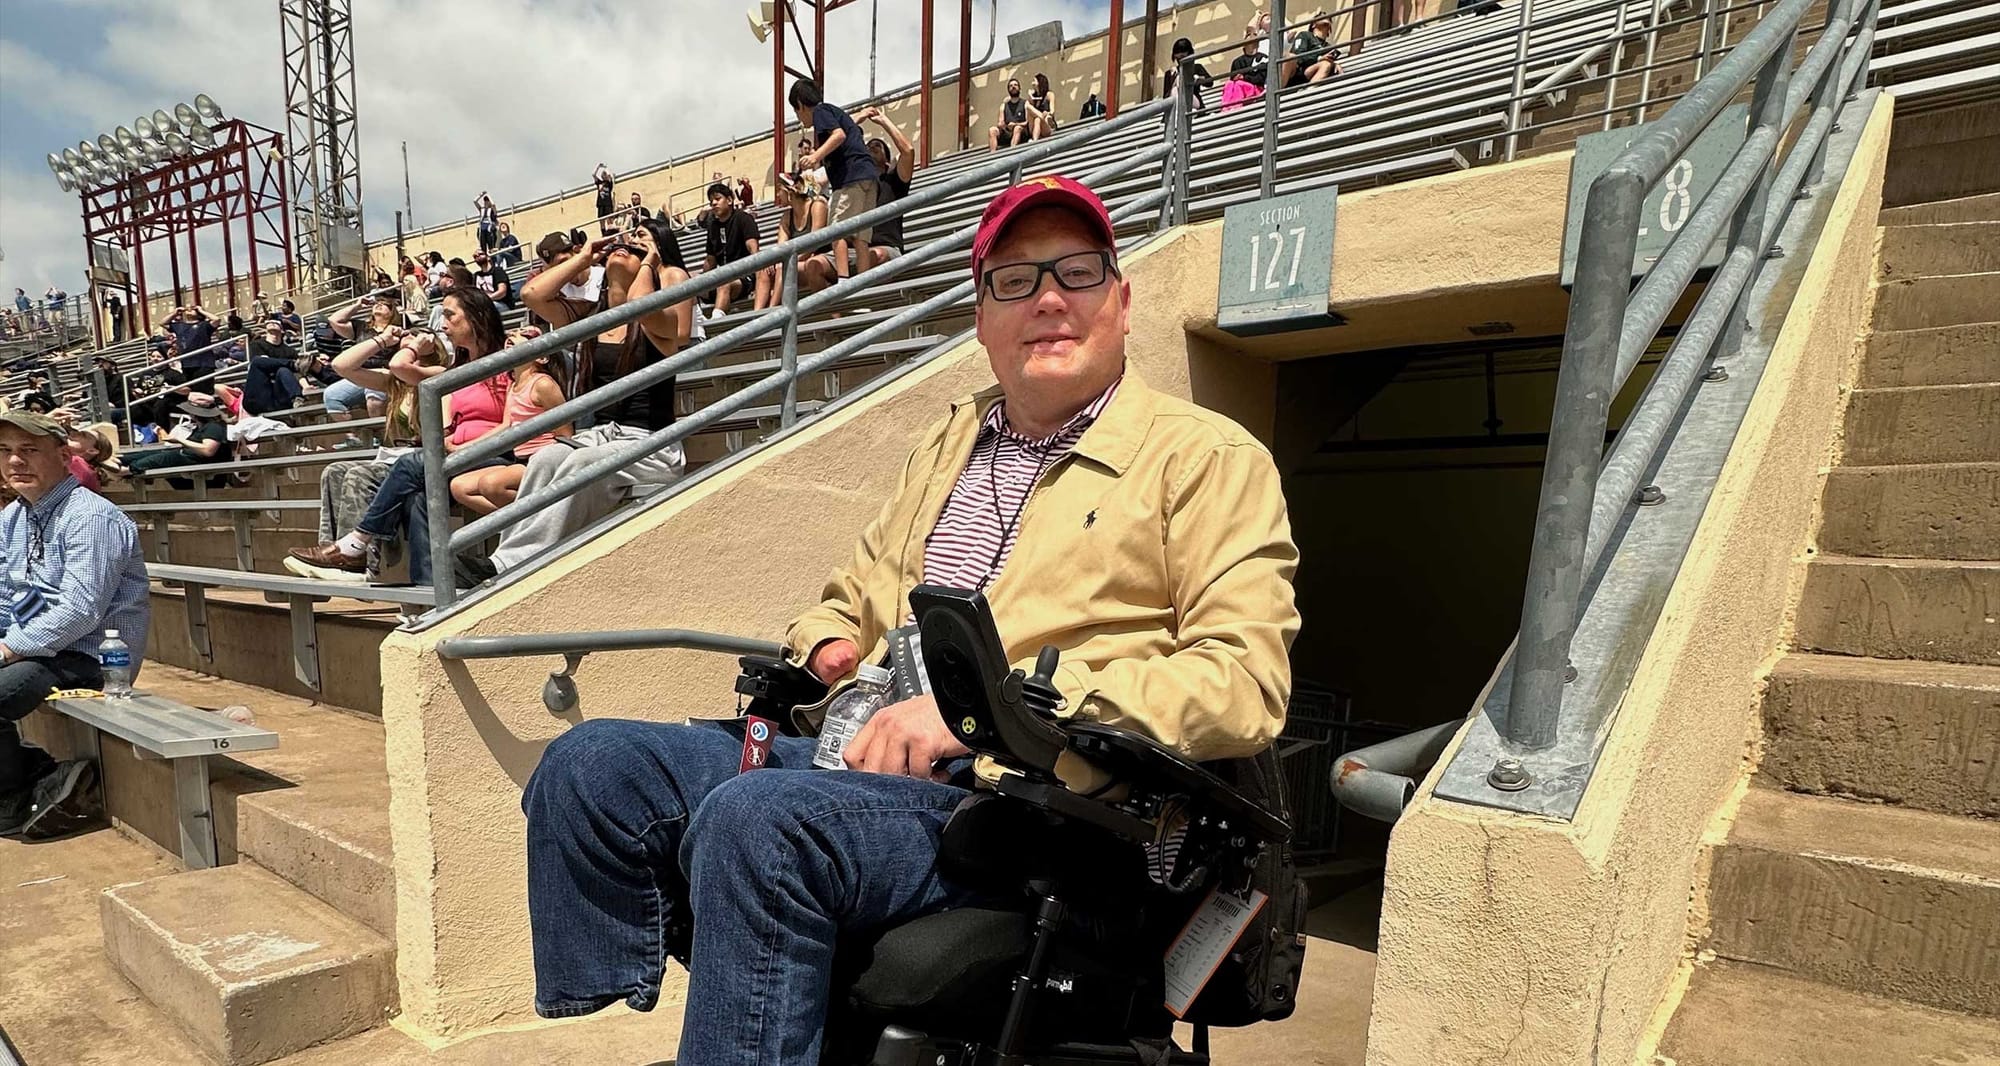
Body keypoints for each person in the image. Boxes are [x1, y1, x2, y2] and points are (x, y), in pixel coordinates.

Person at [519, 176, 1300, 1062]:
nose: (1047, 298)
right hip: (851, 753)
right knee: (593, 768)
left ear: (1121, 302)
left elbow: (1243, 685)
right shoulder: (954, 438)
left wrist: (993, 713)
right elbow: (848, 592)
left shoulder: (1206, 459)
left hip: (1027, 811)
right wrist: (823, 641)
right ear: (982, 319)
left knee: (758, 823)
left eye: (1077, 274)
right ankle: (722, 1012)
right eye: (1014, 280)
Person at [489, 221, 698, 574]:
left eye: (634, 249)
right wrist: (584, 257)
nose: (624, 248)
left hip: (650, 442)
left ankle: (513, 566)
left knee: (579, 464)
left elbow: (639, 305)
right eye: (621, 246)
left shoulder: (658, 321)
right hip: (600, 437)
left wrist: (650, 260)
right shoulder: (591, 317)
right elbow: (533, 294)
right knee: (545, 458)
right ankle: (500, 562)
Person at [285, 289, 511, 586]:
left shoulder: (506, 362)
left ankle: (356, 547)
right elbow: (347, 366)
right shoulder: (454, 372)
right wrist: (383, 340)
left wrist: (415, 346)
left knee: (404, 467)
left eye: (449, 315)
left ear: (477, 317)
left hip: (491, 453)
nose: (443, 324)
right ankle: (428, 586)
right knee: (416, 495)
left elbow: (512, 422)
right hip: (454, 454)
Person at [0, 410, 150, 841]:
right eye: (6, 451)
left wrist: (8, 648)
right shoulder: (15, 516)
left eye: (29, 450)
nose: (14, 462)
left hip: (92, 657)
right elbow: (6, 596)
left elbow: (80, 611)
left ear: (64, 456)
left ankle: (12, 796)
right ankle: (41, 775)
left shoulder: (90, 516)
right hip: (39, 648)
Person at [447, 338, 569, 515]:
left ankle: (539, 519)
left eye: (525, 334)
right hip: (520, 459)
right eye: (514, 332)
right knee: (459, 486)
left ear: (542, 358)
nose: (514, 335)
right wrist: (463, 448)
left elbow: (565, 432)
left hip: (541, 459)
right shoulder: (513, 385)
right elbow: (506, 426)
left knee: (491, 484)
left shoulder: (543, 384)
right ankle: (525, 522)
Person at [790, 79, 878, 285]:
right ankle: (865, 286)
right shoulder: (835, 113)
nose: (799, 118)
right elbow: (846, 129)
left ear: (801, 105)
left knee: (837, 231)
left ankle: (844, 280)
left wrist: (815, 156)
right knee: (861, 237)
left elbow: (838, 135)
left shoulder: (820, 112)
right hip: (868, 177)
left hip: (851, 180)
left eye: (796, 112)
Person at [753, 173, 836, 311]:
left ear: (790, 191)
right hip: (797, 261)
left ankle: (771, 312)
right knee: (764, 270)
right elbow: (781, 247)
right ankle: (756, 315)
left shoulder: (817, 206)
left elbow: (814, 243)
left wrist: (790, 260)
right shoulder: (786, 216)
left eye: (780, 190)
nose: (778, 195)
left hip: (817, 259)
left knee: (783, 267)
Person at [323, 291, 402, 426]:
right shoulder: (361, 328)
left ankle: (381, 434)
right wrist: (358, 306)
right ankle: (354, 435)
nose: (379, 305)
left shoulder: (398, 330)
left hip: (384, 374)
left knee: (373, 396)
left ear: (392, 312)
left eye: (384, 305)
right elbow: (334, 320)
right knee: (331, 395)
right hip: (360, 374)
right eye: (377, 303)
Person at [123, 392, 234, 488]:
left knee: (160, 458)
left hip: (202, 470)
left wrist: (180, 440)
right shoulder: (202, 426)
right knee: (148, 454)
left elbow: (208, 450)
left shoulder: (214, 427)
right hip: (188, 461)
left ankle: (125, 470)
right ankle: (121, 461)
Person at [858, 106, 917, 269]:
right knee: (815, 266)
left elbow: (908, 151)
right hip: (859, 249)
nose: (871, 147)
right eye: (868, 146)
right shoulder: (859, 187)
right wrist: (857, 119)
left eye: (878, 146)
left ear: (887, 161)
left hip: (888, 250)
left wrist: (883, 120)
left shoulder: (894, 181)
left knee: (871, 256)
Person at [700, 182, 761, 317]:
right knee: (688, 282)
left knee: (724, 284)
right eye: (711, 201)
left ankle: (715, 323)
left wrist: (758, 284)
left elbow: (754, 251)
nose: (714, 203)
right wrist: (698, 281)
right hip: (723, 276)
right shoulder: (713, 226)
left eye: (717, 199)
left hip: (745, 277)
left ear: (729, 200)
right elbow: (710, 260)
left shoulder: (743, 219)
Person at [243, 318, 304, 416]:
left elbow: (299, 372)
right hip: (259, 393)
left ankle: (297, 399)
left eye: (276, 322)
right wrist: (291, 363)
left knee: (283, 370)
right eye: (269, 322)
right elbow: (262, 363)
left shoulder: (289, 351)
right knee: (257, 361)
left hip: (279, 393)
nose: (272, 322)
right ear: (265, 329)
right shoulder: (256, 345)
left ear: (282, 330)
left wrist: (306, 386)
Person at [63, 420, 122, 493]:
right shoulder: (87, 469)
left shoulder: (76, 464)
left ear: (92, 451)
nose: (72, 433)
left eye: (82, 435)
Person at [1285, 12, 1342, 86]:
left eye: (1328, 18)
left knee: (1326, 64)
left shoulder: (1329, 47)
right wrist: (1319, 58)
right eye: (1321, 16)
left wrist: (1335, 64)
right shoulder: (1305, 35)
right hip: (1299, 72)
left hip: (1314, 74)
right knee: (1289, 56)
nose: (1325, 16)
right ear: (1313, 25)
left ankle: (1309, 92)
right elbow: (1298, 56)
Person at [1162, 36, 1215, 112]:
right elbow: (1166, 97)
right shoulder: (1170, 73)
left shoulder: (1196, 68)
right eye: (1177, 58)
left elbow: (1210, 83)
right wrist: (1174, 80)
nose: (1180, 60)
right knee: (1174, 91)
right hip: (1176, 108)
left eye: (1183, 57)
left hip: (1194, 106)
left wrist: (1198, 79)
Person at [1224, 27, 1271, 110]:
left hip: (1257, 89)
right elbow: (1233, 78)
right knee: (1229, 84)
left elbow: (1260, 79)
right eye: (1248, 35)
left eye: (1254, 34)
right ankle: (1225, 109)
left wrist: (1244, 78)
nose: (1251, 36)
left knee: (1239, 84)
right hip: (1241, 89)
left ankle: (1235, 108)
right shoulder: (1237, 61)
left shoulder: (1263, 58)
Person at [989, 78, 1031, 150]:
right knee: (992, 130)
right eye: (1010, 86)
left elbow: (1027, 122)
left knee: (1017, 129)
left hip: (1021, 132)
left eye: (1015, 85)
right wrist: (1003, 125)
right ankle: (993, 154)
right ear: (1008, 90)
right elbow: (1000, 122)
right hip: (1008, 132)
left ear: (1019, 88)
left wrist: (1015, 124)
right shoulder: (1004, 105)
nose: (1013, 87)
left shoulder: (1025, 103)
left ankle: (1012, 151)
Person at [1028, 73, 1059, 140]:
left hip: (1047, 125)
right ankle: (1035, 139)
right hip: (1036, 125)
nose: (1032, 83)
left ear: (1039, 82)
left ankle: (1034, 140)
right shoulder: (1034, 97)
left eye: (1034, 81)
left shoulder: (1049, 94)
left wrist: (1047, 113)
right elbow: (1029, 112)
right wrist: (1031, 97)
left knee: (1042, 118)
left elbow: (1052, 111)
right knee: (1036, 118)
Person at [593, 163, 616, 234]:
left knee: (609, 218)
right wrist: (598, 166)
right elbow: (593, 174)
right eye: (603, 174)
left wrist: (606, 167)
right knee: (601, 219)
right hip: (600, 203)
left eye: (605, 174)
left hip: (608, 203)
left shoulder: (609, 183)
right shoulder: (599, 182)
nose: (604, 175)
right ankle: (603, 232)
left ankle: (611, 231)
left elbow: (610, 176)